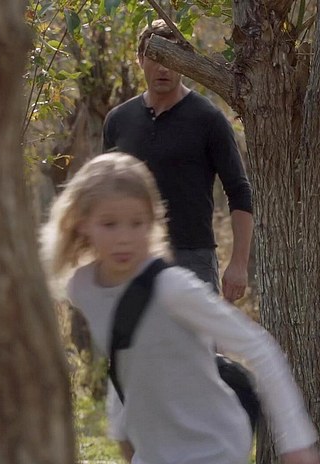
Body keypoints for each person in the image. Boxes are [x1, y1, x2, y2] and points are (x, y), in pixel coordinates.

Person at [40, 152, 320, 464]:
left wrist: (296, 444)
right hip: (153, 456)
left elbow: (260, 348)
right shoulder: (83, 287)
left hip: (212, 449)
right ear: (82, 223)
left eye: (137, 223)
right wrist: (120, 428)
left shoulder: (172, 288)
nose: (124, 238)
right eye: (109, 224)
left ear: (153, 223)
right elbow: (123, 356)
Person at [102, 19, 252, 303]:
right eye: (156, 57)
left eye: (172, 59)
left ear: (184, 64)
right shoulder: (118, 120)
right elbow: (105, 194)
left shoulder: (208, 119)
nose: (164, 68)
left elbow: (239, 191)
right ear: (140, 59)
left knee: (196, 335)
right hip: (131, 259)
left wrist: (239, 264)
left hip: (192, 260)